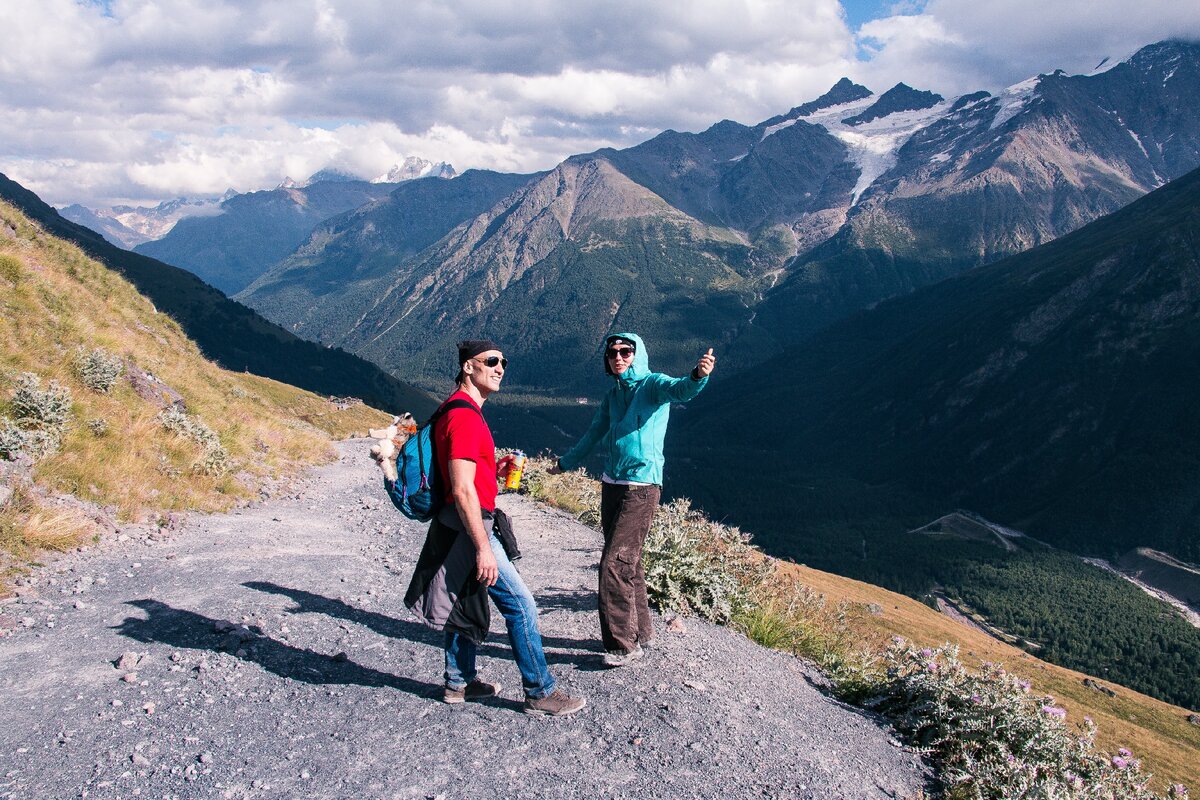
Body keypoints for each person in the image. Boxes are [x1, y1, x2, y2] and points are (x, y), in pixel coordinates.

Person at [404, 339, 585, 716]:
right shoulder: (466, 416)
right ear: (468, 367)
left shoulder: (454, 409)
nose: (500, 367)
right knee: (521, 605)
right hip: (471, 529)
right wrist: (483, 547)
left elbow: (466, 475)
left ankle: (460, 682)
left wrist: (493, 471)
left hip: (453, 525)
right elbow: (462, 488)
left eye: (503, 361)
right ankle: (539, 690)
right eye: (490, 361)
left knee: (463, 597)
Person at [550, 333, 715, 667]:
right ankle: (642, 632)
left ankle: (623, 645)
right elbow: (594, 433)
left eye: (626, 352)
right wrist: (564, 463)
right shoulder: (613, 395)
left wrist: (699, 375)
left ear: (637, 355)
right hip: (612, 483)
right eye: (612, 353)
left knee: (615, 563)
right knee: (630, 562)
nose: (618, 357)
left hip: (641, 486)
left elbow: (681, 388)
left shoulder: (652, 385)